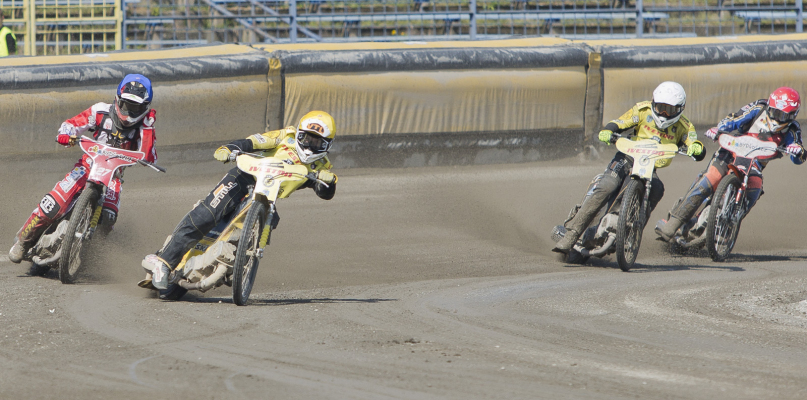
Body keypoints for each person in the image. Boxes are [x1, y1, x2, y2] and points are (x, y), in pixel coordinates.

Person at [142, 110, 338, 289]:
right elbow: (253, 142)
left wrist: (328, 182)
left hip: (266, 199)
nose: (311, 146)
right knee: (208, 213)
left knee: (273, 218)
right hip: (243, 178)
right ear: (298, 135)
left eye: (317, 143)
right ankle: (163, 262)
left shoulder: (321, 167)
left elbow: (325, 192)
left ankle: (239, 261)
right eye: (307, 139)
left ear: (327, 145)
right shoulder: (284, 137)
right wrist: (230, 148)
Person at [8, 74, 157, 263]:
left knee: (109, 218)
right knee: (54, 202)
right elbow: (71, 124)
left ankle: (88, 256)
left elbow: (148, 157)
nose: (130, 113)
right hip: (87, 165)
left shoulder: (145, 126)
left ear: (146, 108)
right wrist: (65, 135)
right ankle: (23, 242)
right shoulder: (101, 111)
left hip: (114, 175)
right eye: (128, 106)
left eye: (137, 108)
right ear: (118, 100)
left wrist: (148, 127)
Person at [552, 81, 705, 254]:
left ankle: (631, 234)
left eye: (669, 110)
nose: (663, 113)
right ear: (653, 102)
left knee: (657, 188)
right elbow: (620, 122)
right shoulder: (642, 110)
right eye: (660, 107)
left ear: (680, 109)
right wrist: (609, 130)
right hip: (626, 158)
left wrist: (696, 148)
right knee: (607, 185)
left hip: (648, 166)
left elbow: (694, 141)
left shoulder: (685, 126)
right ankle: (572, 234)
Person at [655, 87, 805, 241]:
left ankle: (728, 225)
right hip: (731, 151)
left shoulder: (793, 129)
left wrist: (797, 151)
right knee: (711, 179)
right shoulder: (759, 108)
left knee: (756, 187)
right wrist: (719, 129)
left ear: (792, 115)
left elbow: (797, 156)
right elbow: (734, 119)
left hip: (753, 165)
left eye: (782, 115)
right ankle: (674, 222)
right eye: (774, 112)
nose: (777, 119)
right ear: (769, 107)